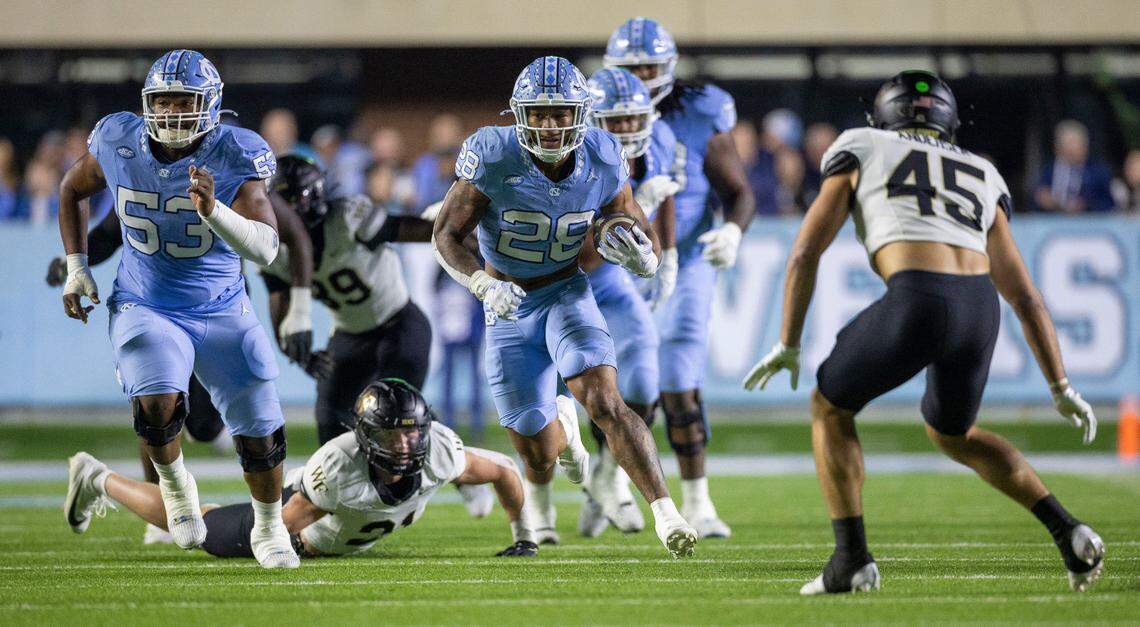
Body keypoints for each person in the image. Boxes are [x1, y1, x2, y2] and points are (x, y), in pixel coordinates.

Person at [743, 70, 1105, 595]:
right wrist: (1060, 385)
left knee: (829, 406)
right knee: (954, 434)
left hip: (918, 295)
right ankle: (1068, 529)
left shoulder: (862, 145)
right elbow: (1025, 296)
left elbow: (805, 251)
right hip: (980, 309)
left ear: (883, 115)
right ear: (949, 122)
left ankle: (851, 560)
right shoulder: (981, 169)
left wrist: (788, 342)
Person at [432, 56, 697, 558]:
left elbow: (628, 220)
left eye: (560, 112)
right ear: (519, 115)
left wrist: (643, 253)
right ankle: (563, 433)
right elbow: (445, 234)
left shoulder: (601, 153)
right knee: (539, 455)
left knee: (605, 400)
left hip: (567, 291)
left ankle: (666, 512)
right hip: (507, 304)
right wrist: (481, 285)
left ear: (581, 113)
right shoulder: (491, 153)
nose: (550, 124)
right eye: (539, 113)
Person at [57, 50, 299, 568]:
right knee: (157, 400)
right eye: (162, 102)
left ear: (209, 106)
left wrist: (215, 212)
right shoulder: (119, 140)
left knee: (259, 428)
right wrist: (77, 265)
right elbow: (71, 188)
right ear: (147, 105)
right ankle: (174, 487)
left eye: (182, 101)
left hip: (222, 304)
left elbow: (266, 248)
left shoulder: (236, 151)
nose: (170, 113)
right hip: (146, 301)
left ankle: (270, 525)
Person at [64, 379, 537, 560]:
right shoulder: (340, 469)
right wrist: (290, 548)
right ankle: (97, 478)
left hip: (339, 529)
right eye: (394, 434)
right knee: (201, 529)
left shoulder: (440, 452)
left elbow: (502, 472)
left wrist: (524, 536)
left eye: (413, 431)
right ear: (368, 437)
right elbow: (283, 526)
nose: (408, 443)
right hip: (298, 513)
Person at [605, 17, 756, 538]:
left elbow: (738, 190)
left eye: (651, 65)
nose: (644, 76)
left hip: (686, 255)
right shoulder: (593, 108)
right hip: (617, 258)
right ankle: (613, 487)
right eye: (632, 67)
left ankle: (698, 500)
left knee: (680, 377)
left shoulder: (698, 111)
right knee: (623, 382)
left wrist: (733, 232)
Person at [576, 68, 680, 538]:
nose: (625, 129)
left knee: (643, 369)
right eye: (614, 121)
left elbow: (667, 196)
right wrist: (628, 217)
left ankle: (610, 472)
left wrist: (666, 250)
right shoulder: (575, 156)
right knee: (566, 396)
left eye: (632, 118)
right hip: (563, 281)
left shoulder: (655, 144)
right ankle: (539, 513)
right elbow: (579, 252)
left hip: (612, 281)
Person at [1032, 120, 1115, 213]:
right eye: (1067, 144)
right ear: (1057, 148)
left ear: (1085, 148)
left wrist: (1086, 205)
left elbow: (1108, 203)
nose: (1071, 150)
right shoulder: (1047, 171)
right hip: (1051, 221)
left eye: (1074, 144)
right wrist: (1043, 200)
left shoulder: (1098, 172)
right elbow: (1033, 200)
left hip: (1087, 222)